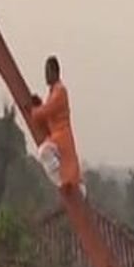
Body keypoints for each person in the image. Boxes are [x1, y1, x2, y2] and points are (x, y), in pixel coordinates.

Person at [31, 56, 82, 193]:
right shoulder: (54, 92)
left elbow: (48, 110)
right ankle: (65, 182)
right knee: (66, 169)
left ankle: (62, 183)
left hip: (61, 138)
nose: (46, 75)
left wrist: (34, 111)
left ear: (55, 72)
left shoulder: (60, 91)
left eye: (48, 71)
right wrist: (39, 106)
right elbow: (48, 111)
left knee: (44, 152)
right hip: (58, 137)